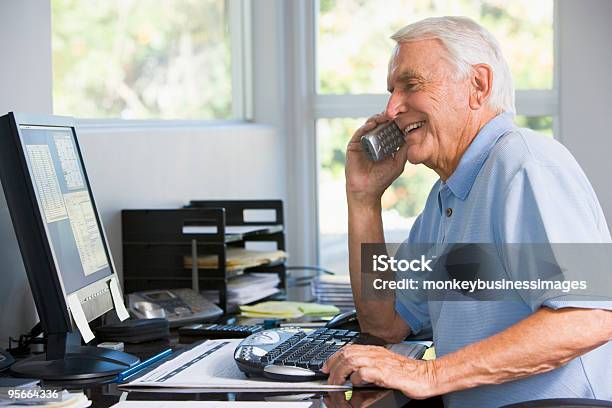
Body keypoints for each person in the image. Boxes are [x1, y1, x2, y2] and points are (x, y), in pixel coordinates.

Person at [322, 16, 612, 407]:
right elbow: (385, 323)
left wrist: (430, 373)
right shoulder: (448, 195)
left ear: (478, 85)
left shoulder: (527, 165)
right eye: (391, 91)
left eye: (411, 85)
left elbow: (591, 316)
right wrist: (363, 200)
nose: (392, 108)